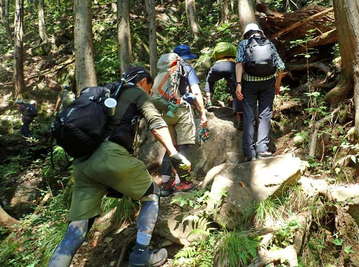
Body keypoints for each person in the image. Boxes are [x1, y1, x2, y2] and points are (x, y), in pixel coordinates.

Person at [48, 67, 191, 267]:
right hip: (109, 156)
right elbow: (156, 122)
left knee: (79, 225)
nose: (148, 92)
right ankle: (141, 255)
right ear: (143, 82)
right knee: (151, 194)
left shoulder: (105, 92)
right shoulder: (136, 92)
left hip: (82, 164)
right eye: (148, 88)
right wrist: (173, 153)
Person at [151, 50, 207, 196]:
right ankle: (183, 181)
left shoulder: (163, 70)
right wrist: (202, 114)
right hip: (181, 109)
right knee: (183, 146)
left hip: (165, 111)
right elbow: (196, 92)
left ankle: (165, 184)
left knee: (170, 147)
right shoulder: (186, 68)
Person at [235, 23, 286, 161]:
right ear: (260, 32)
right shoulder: (269, 43)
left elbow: (239, 63)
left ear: (247, 33)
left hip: (249, 84)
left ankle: (249, 153)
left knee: (249, 116)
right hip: (268, 84)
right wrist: (277, 85)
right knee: (265, 115)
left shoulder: (243, 44)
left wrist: (238, 84)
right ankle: (262, 149)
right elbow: (281, 67)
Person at [204, 41, 243, 129]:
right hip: (232, 66)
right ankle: (240, 116)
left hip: (218, 66)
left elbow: (213, 56)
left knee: (209, 81)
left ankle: (208, 100)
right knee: (236, 89)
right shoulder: (232, 48)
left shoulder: (217, 49)